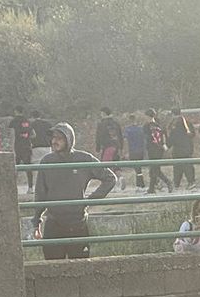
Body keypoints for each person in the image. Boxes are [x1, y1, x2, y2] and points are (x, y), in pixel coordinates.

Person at [30, 123, 114, 261]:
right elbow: (40, 193)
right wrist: (36, 221)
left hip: (77, 222)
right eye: (53, 138)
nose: (54, 141)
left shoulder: (84, 159)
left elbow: (110, 178)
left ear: (69, 139)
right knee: (52, 267)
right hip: (54, 222)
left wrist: (90, 200)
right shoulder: (47, 161)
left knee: (80, 265)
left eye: (59, 138)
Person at [143, 108, 172, 193]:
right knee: (154, 168)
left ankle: (168, 182)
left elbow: (147, 138)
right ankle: (151, 188)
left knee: (155, 169)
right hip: (160, 148)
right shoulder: (158, 125)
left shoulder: (146, 126)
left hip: (152, 148)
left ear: (147, 116)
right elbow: (163, 136)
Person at [168, 109, 197, 190]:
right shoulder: (187, 123)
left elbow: (172, 138)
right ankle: (191, 182)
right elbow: (193, 134)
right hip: (187, 148)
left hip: (178, 149)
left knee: (177, 167)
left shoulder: (174, 125)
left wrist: (166, 146)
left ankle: (177, 184)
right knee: (188, 166)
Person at [122, 114, 147, 189]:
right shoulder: (140, 129)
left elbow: (126, 141)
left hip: (133, 150)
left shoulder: (128, 129)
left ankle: (140, 185)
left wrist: (126, 152)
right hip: (140, 150)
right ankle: (139, 185)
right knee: (138, 168)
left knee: (137, 169)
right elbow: (144, 140)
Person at [10, 109, 33, 188]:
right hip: (27, 146)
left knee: (15, 167)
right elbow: (33, 134)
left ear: (16, 111)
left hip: (18, 147)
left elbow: (12, 135)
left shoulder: (14, 121)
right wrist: (27, 137)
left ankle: (13, 186)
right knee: (28, 167)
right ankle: (30, 187)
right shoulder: (27, 121)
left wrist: (12, 148)